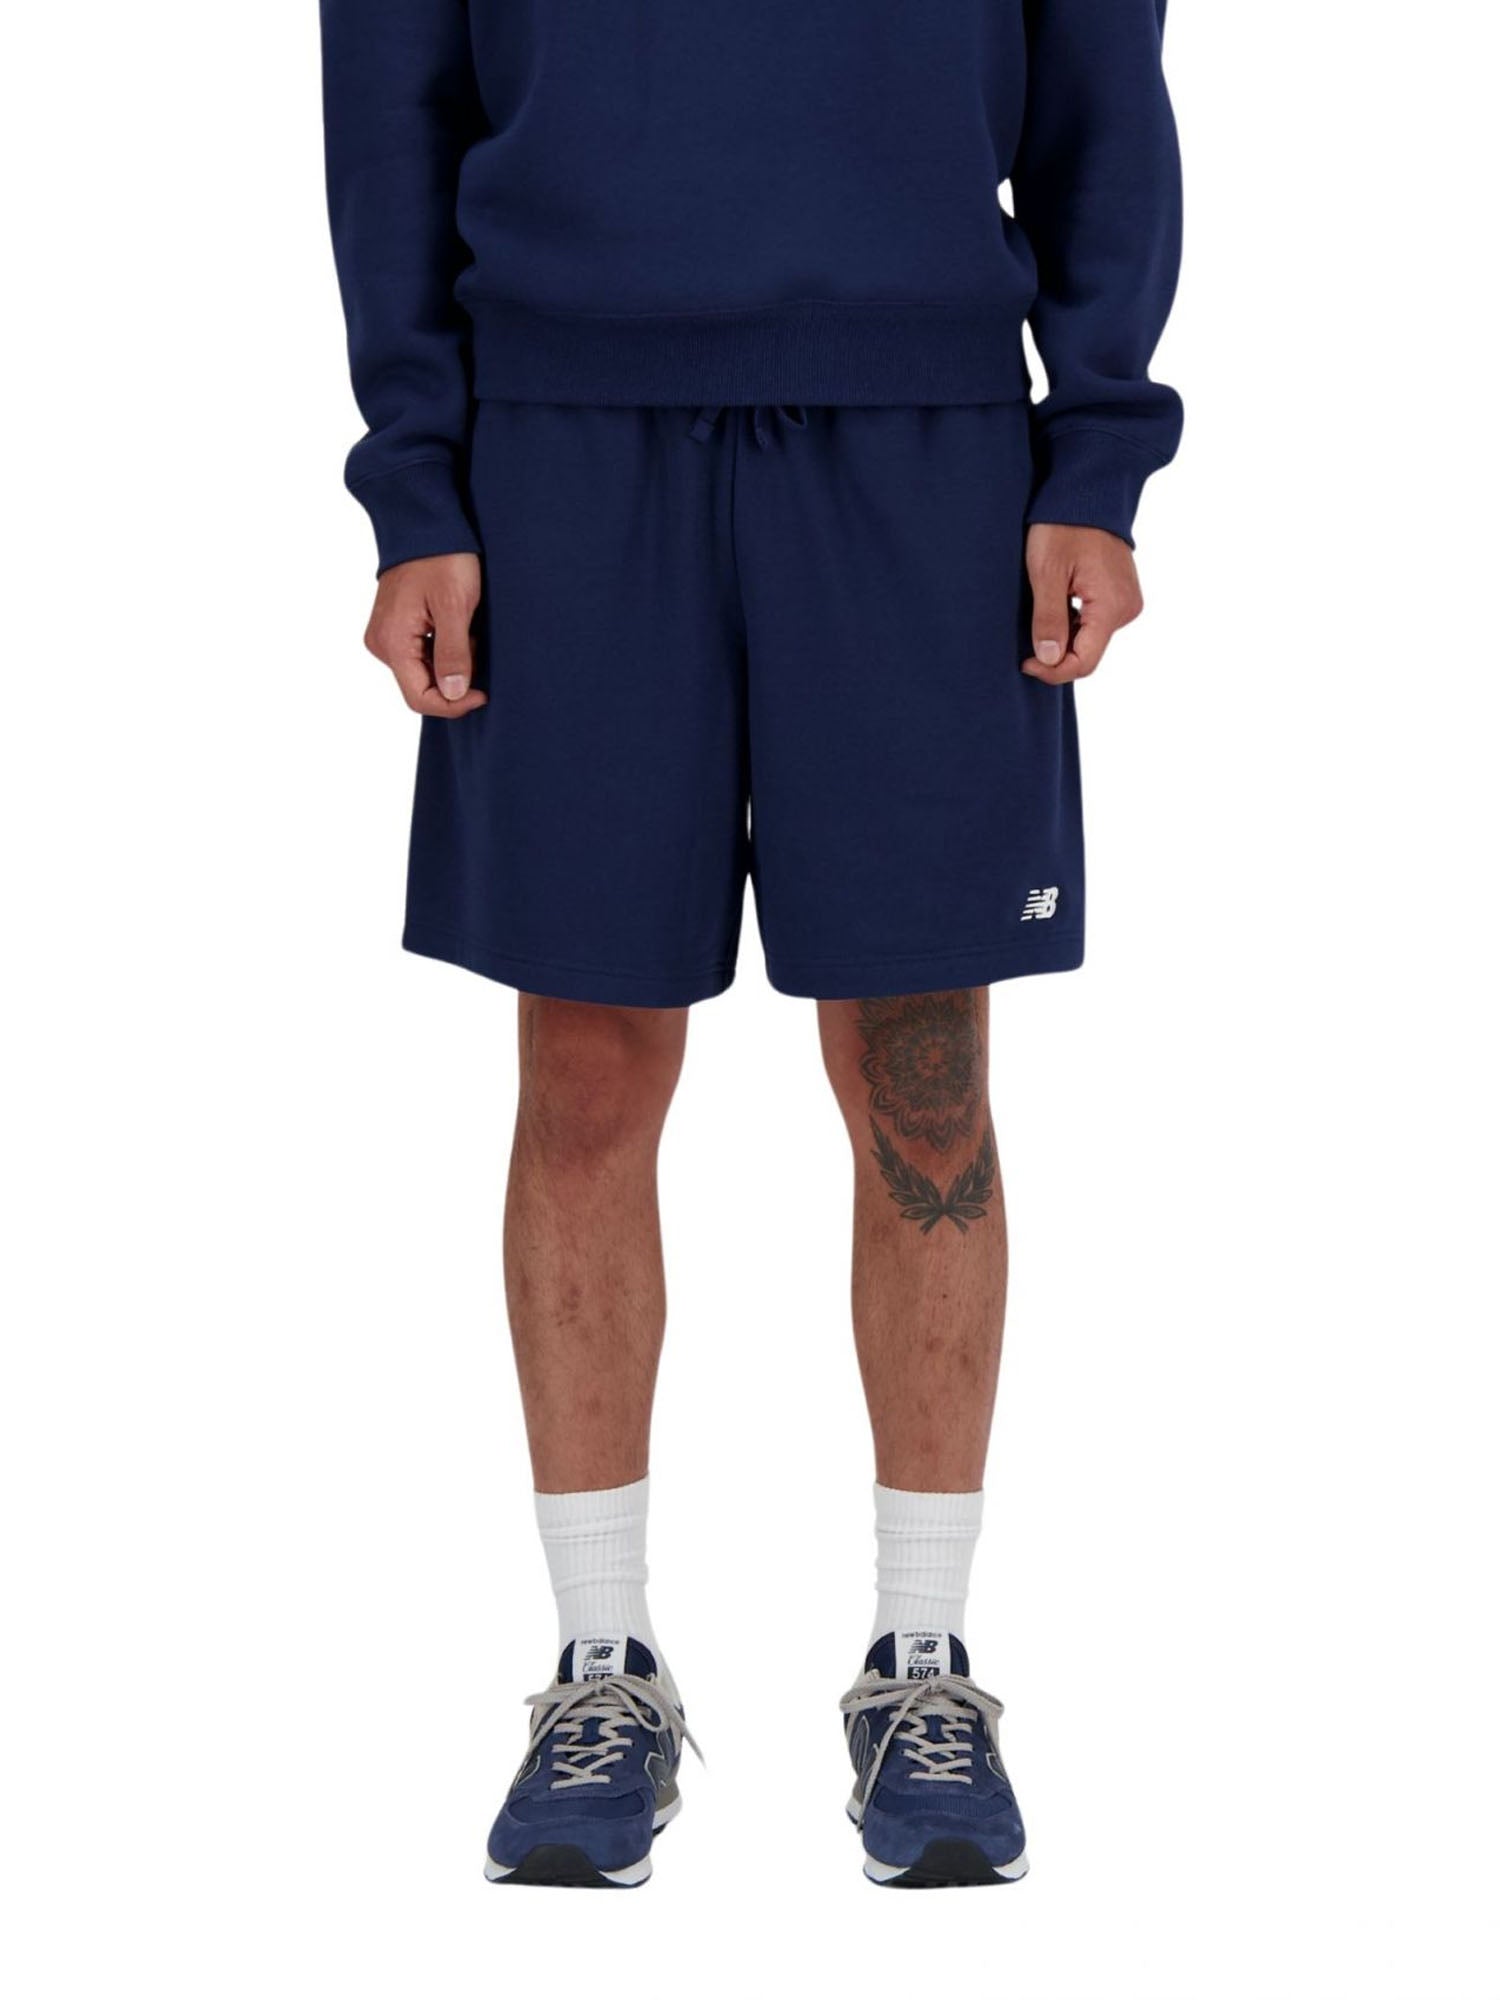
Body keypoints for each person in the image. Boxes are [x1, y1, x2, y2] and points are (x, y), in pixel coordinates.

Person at [321, 0, 1181, 1890]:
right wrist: (418, 483)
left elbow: (1104, 90)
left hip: (923, 441)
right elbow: (391, 109)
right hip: (561, 444)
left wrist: (1095, 458)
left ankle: (923, 1662)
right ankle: (600, 1669)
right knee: (586, 1071)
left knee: (922, 1079)